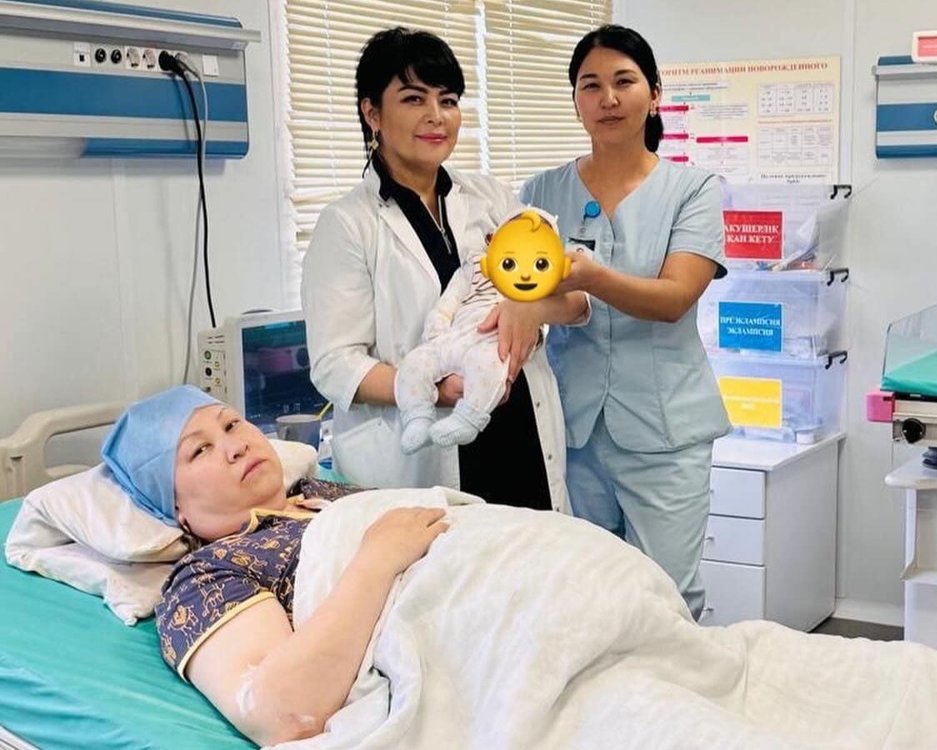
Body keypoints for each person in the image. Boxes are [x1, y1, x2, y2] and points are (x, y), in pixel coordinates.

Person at [301, 27, 588, 511]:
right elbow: (335, 365)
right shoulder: (347, 224)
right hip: (420, 456)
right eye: (414, 98)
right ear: (372, 113)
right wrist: (433, 390)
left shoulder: (492, 199)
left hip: (519, 435)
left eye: (448, 100)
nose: (436, 115)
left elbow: (578, 300)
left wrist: (533, 309)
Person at [519, 25, 730, 620]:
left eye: (624, 82)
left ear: (654, 94)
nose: (607, 99)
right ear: (575, 101)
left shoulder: (691, 189)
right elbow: (530, 293)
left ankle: (675, 685)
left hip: (665, 431)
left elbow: (674, 297)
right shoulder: (541, 192)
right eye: (591, 85)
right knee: (584, 598)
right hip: (573, 430)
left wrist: (591, 277)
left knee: (666, 599)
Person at [101, 385, 447, 746]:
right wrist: (377, 561)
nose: (236, 447)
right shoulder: (206, 575)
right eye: (200, 449)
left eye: (232, 425)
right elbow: (283, 714)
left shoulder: (324, 491)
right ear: (175, 507)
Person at [394, 207, 568, 455]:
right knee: (415, 362)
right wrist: (436, 333)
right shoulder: (475, 266)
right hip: (453, 337)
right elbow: (449, 301)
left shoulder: (539, 283)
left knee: (489, 365)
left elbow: (555, 315)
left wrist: (533, 317)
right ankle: (417, 417)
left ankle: (468, 418)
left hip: (492, 343)